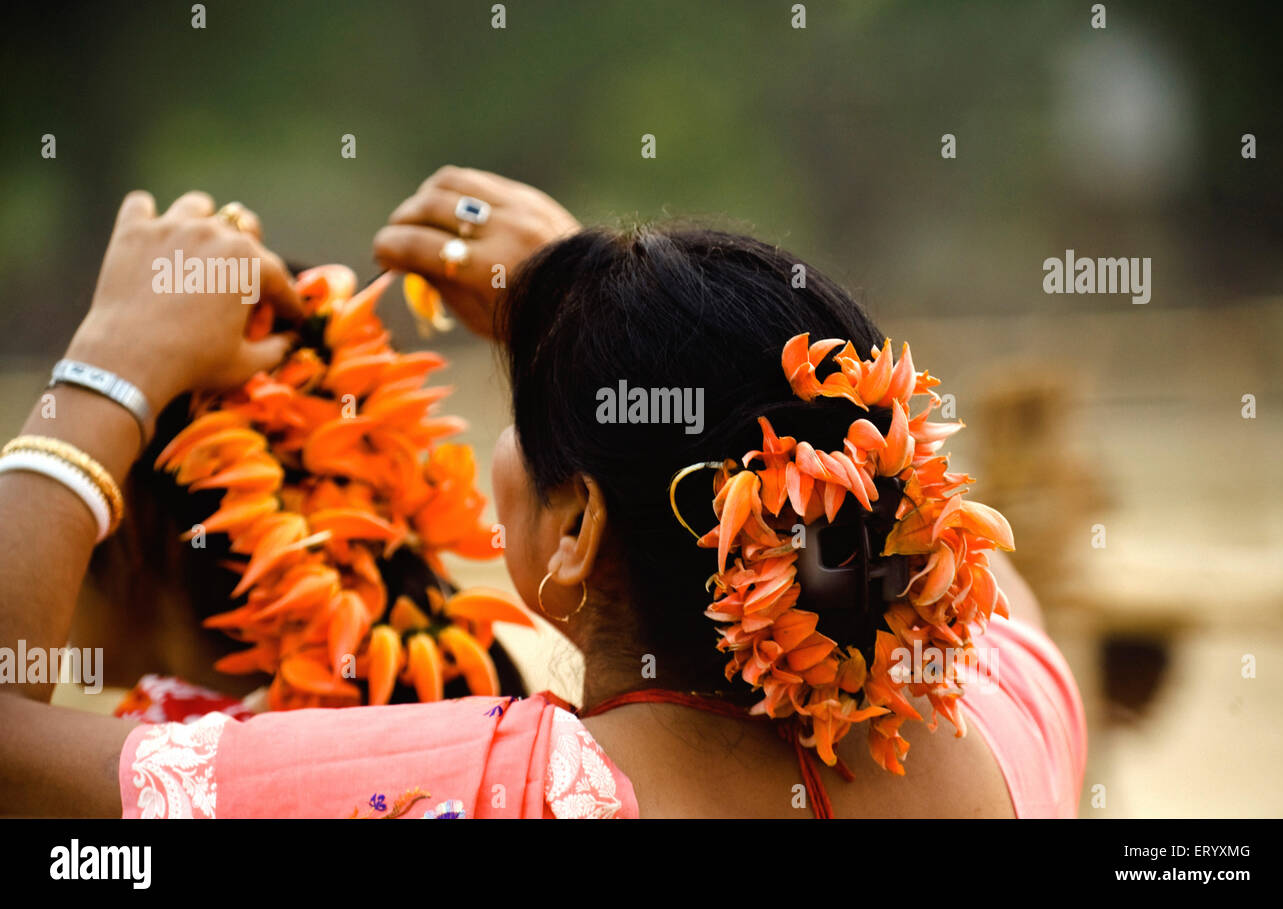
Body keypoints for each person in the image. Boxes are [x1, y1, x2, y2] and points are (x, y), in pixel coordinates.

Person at [0, 169, 1085, 818]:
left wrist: (110, 365)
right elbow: (993, 598)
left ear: (574, 530)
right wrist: (635, 335)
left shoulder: (484, 786)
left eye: (522, 420)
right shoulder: (998, 735)